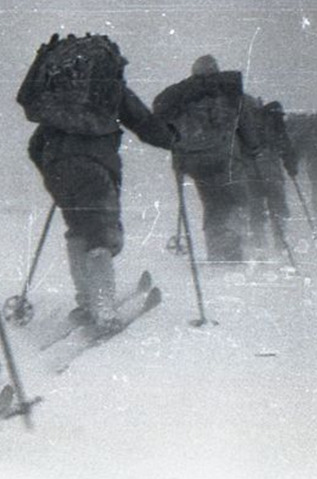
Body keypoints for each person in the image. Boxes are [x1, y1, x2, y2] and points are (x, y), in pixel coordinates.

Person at [19, 34, 172, 333]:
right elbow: (144, 124)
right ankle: (103, 311)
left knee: (78, 232)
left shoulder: (57, 98)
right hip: (96, 168)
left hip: (57, 169)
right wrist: (175, 140)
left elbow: (35, 146)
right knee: (100, 235)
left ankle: (87, 304)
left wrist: (55, 170)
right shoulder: (109, 89)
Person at [154, 55, 259, 262]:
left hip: (194, 162)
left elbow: (162, 122)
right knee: (236, 201)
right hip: (225, 158)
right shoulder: (230, 92)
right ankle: (232, 252)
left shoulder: (182, 95)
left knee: (212, 204)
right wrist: (253, 149)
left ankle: (217, 254)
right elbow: (246, 126)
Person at [241, 98, 299, 255]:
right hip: (271, 171)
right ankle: (280, 241)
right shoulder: (275, 124)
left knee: (255, 208)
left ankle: (259, 242)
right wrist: (291, 167)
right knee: (277, 205)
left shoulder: (245, 124)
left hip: (250, 171)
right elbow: (286, 147)